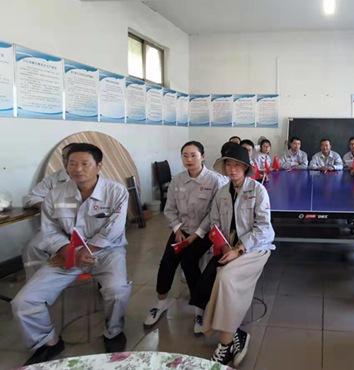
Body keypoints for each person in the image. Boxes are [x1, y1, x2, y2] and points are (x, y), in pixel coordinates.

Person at [12, 143, 131, 365]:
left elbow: (114, 230)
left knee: (116, 290)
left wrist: (86, 250)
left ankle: (113, 332)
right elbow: (50, 230)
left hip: (107, 252)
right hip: (67, 253)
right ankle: (48, 342)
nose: (77, 169)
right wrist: (68, 251)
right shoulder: (55, 194)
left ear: (99, 166)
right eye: (72, 164)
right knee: (24, 301)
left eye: (85, 164)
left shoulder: (116, 192)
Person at [196, 143, 275, 367]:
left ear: (246, 168)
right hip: (229, 248)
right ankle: (233, 337)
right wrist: (224, 248)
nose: (232, 169)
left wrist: (238, 250)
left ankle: (225, 342)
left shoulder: (258, 190)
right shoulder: (222, 193)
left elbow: (264, 228)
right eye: (228, 165)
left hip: (255, 247)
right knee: (215, 278)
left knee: (225, 277)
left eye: (237, 165)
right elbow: (214, 224)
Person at [144, 141, 227, 335]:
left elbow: (214, 214)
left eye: (193, 155)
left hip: (204, 233)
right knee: (167, 262)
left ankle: (199, 310)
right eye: (185, 155)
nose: (189, 159)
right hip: (181, 231)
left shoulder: (215, 181)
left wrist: (196, 235)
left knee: (189, 262)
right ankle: (160, 303)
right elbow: (169, 209)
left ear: (203, 157)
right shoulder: (177, 180)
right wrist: (177, 229)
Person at [21, 143, 75, 279]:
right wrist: (44, 206)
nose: (66, 160)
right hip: (56, 227)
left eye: (69, 156)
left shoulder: (91, 179)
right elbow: (31, 197)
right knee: (33, 248)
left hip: (85, 228)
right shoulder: (54, 179)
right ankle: (36, 284)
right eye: (64, 157)